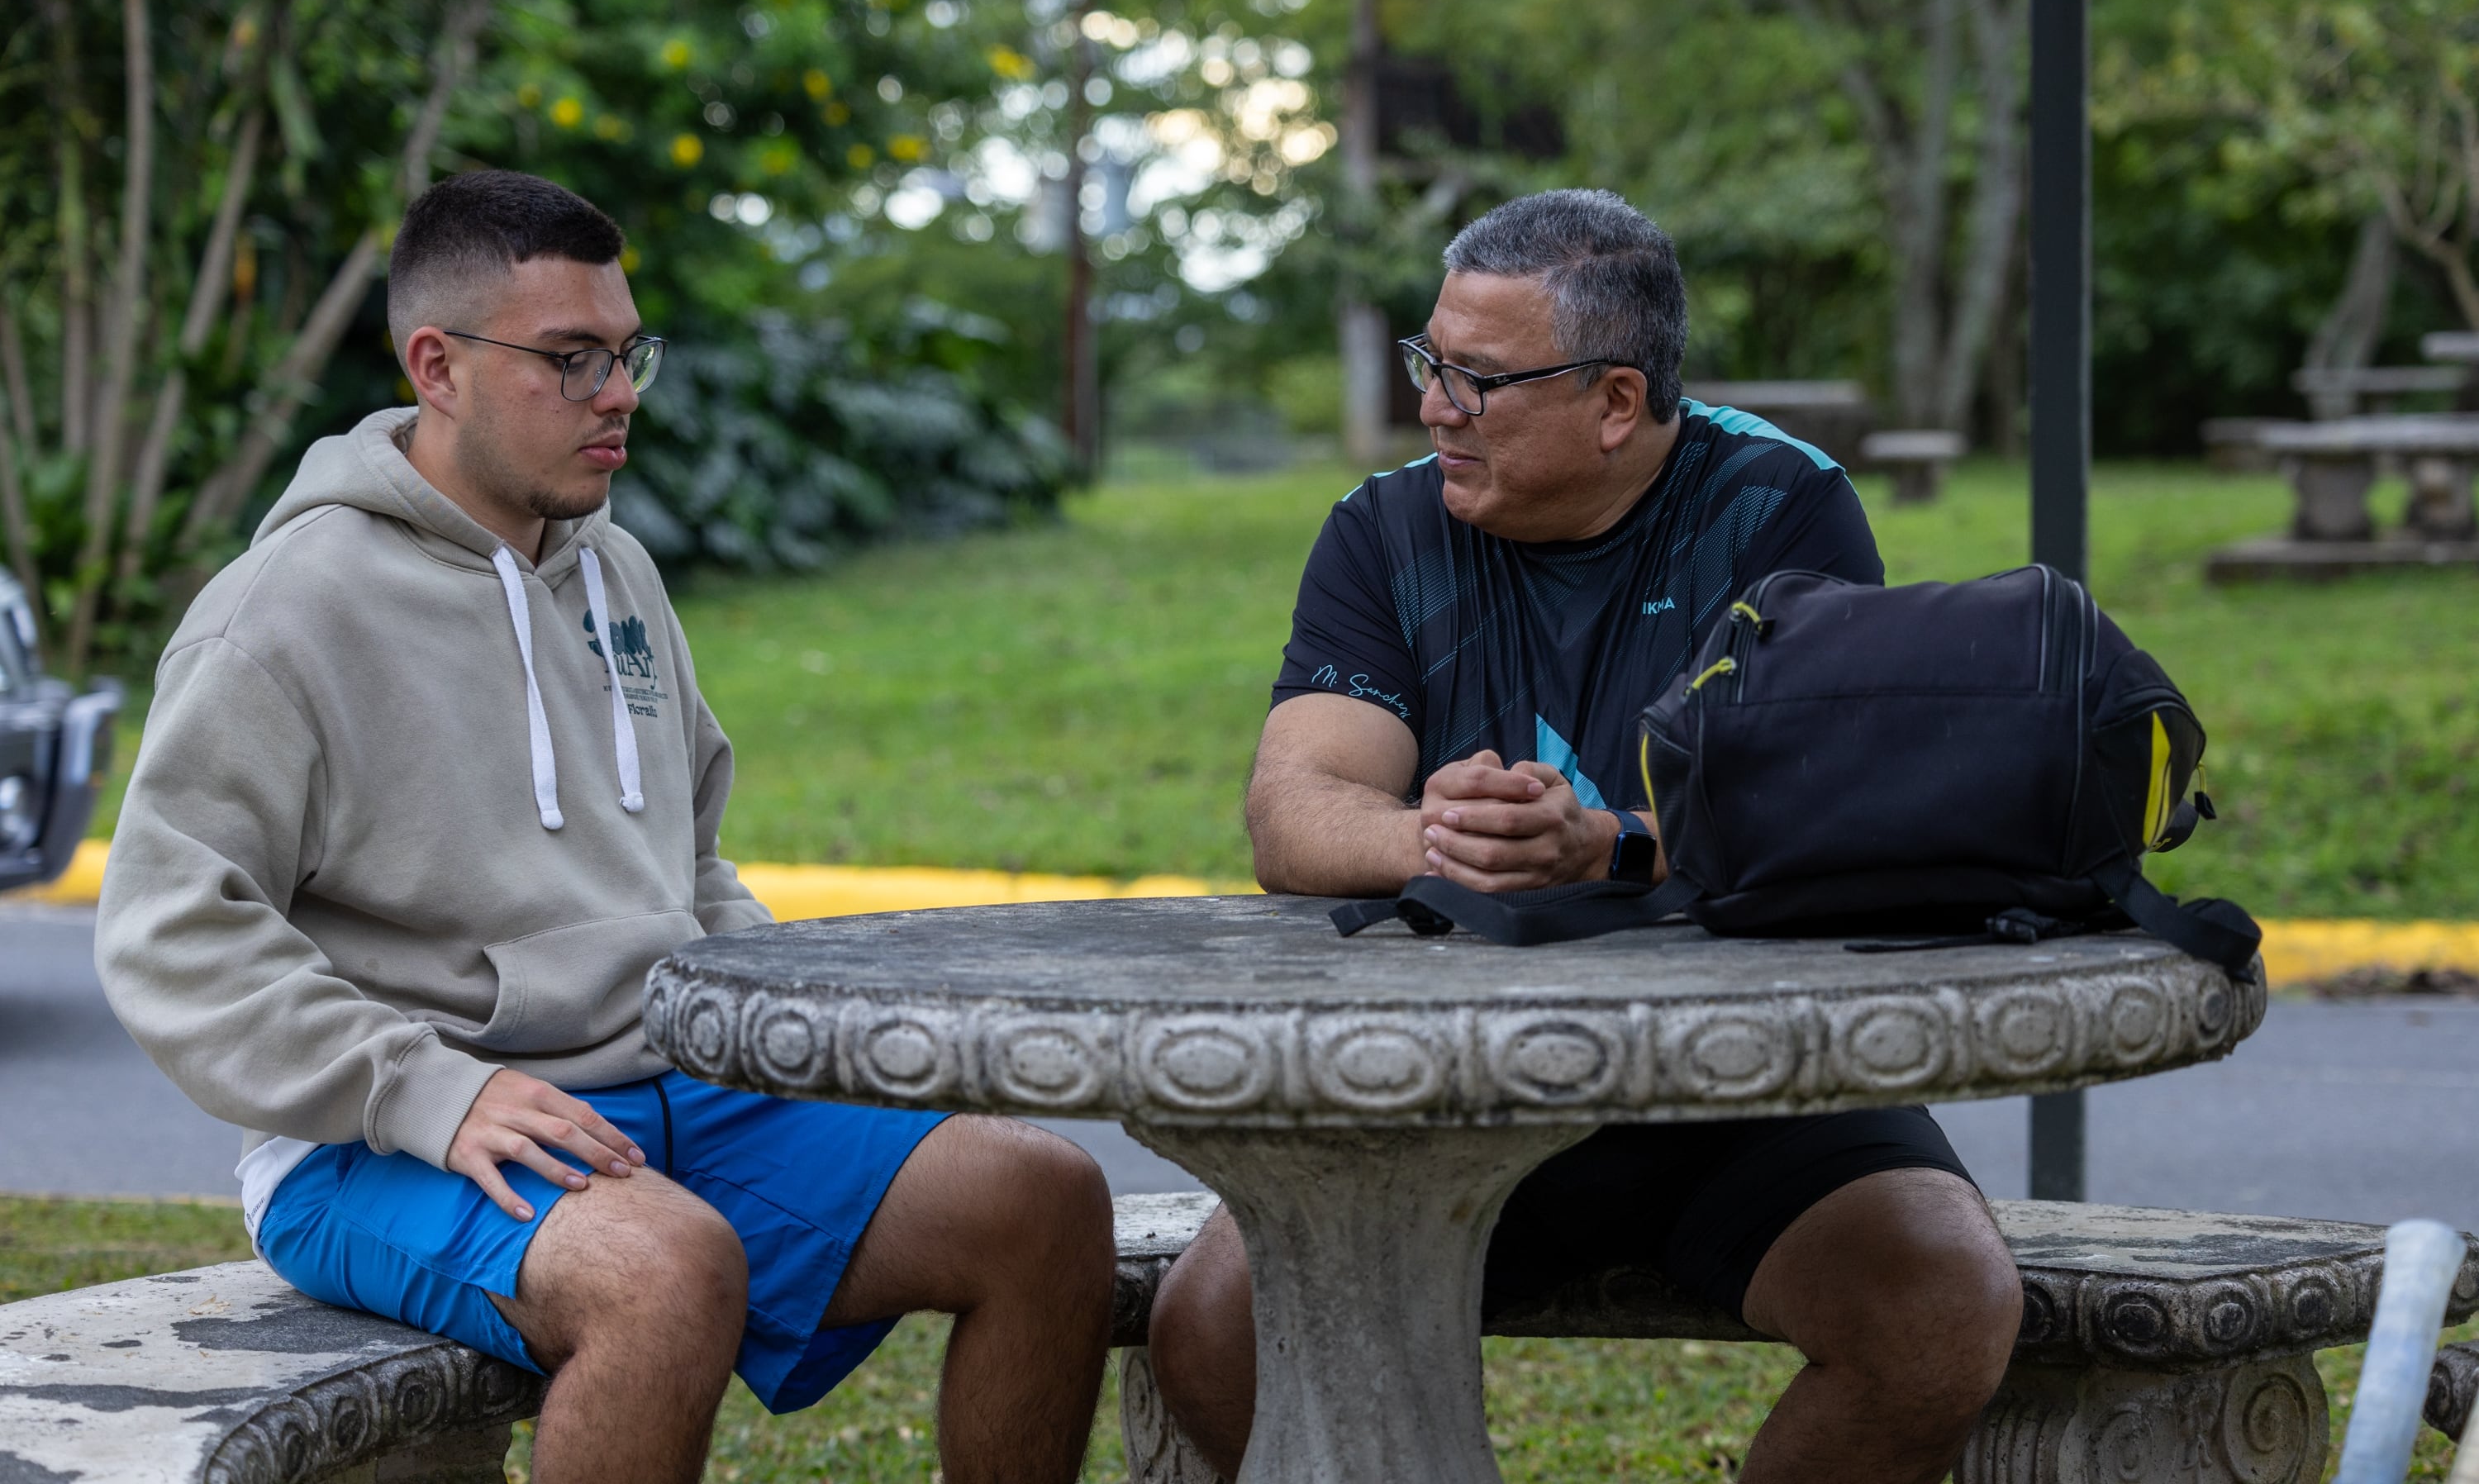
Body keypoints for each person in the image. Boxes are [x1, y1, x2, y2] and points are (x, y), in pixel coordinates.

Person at [94, 170, 1114, 1484]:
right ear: (436, 365)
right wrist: (425, 1089)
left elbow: (687, 862)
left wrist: (790, 1024)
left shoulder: (615, 572)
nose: (617, 392)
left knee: (1041, 1199)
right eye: (569, 360)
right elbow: (172, 928)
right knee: (666, 1270)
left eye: (626, 354)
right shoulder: (284, 612)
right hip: (387, 1142)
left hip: (663, 1093)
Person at [1146, 189, 2023, 1483]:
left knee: (1942, 1306)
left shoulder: (1779, 507)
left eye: (1476, 381)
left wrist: (1604, 845)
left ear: (1619, 401)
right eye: (1427, 364)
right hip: (1436, 1085)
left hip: (1747, 1084)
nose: (1433, 407)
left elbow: (1817, 805)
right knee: (1215, 1330)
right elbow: (1295, 811)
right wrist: (1437, 840)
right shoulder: (1385, 527)